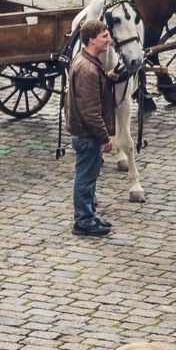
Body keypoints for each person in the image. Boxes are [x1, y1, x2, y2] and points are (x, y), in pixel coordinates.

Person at [66, 19, 119, 238]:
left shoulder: (87, 61)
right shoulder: (87, 68)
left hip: (86, 134)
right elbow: (89, 110)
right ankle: (83, 221)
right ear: (91, 40)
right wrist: (104, 137)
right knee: (85, 179)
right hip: (87, 135)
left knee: (88, 178)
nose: (108, 40)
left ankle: (88, 215)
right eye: (104, 36)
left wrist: (106, 77)